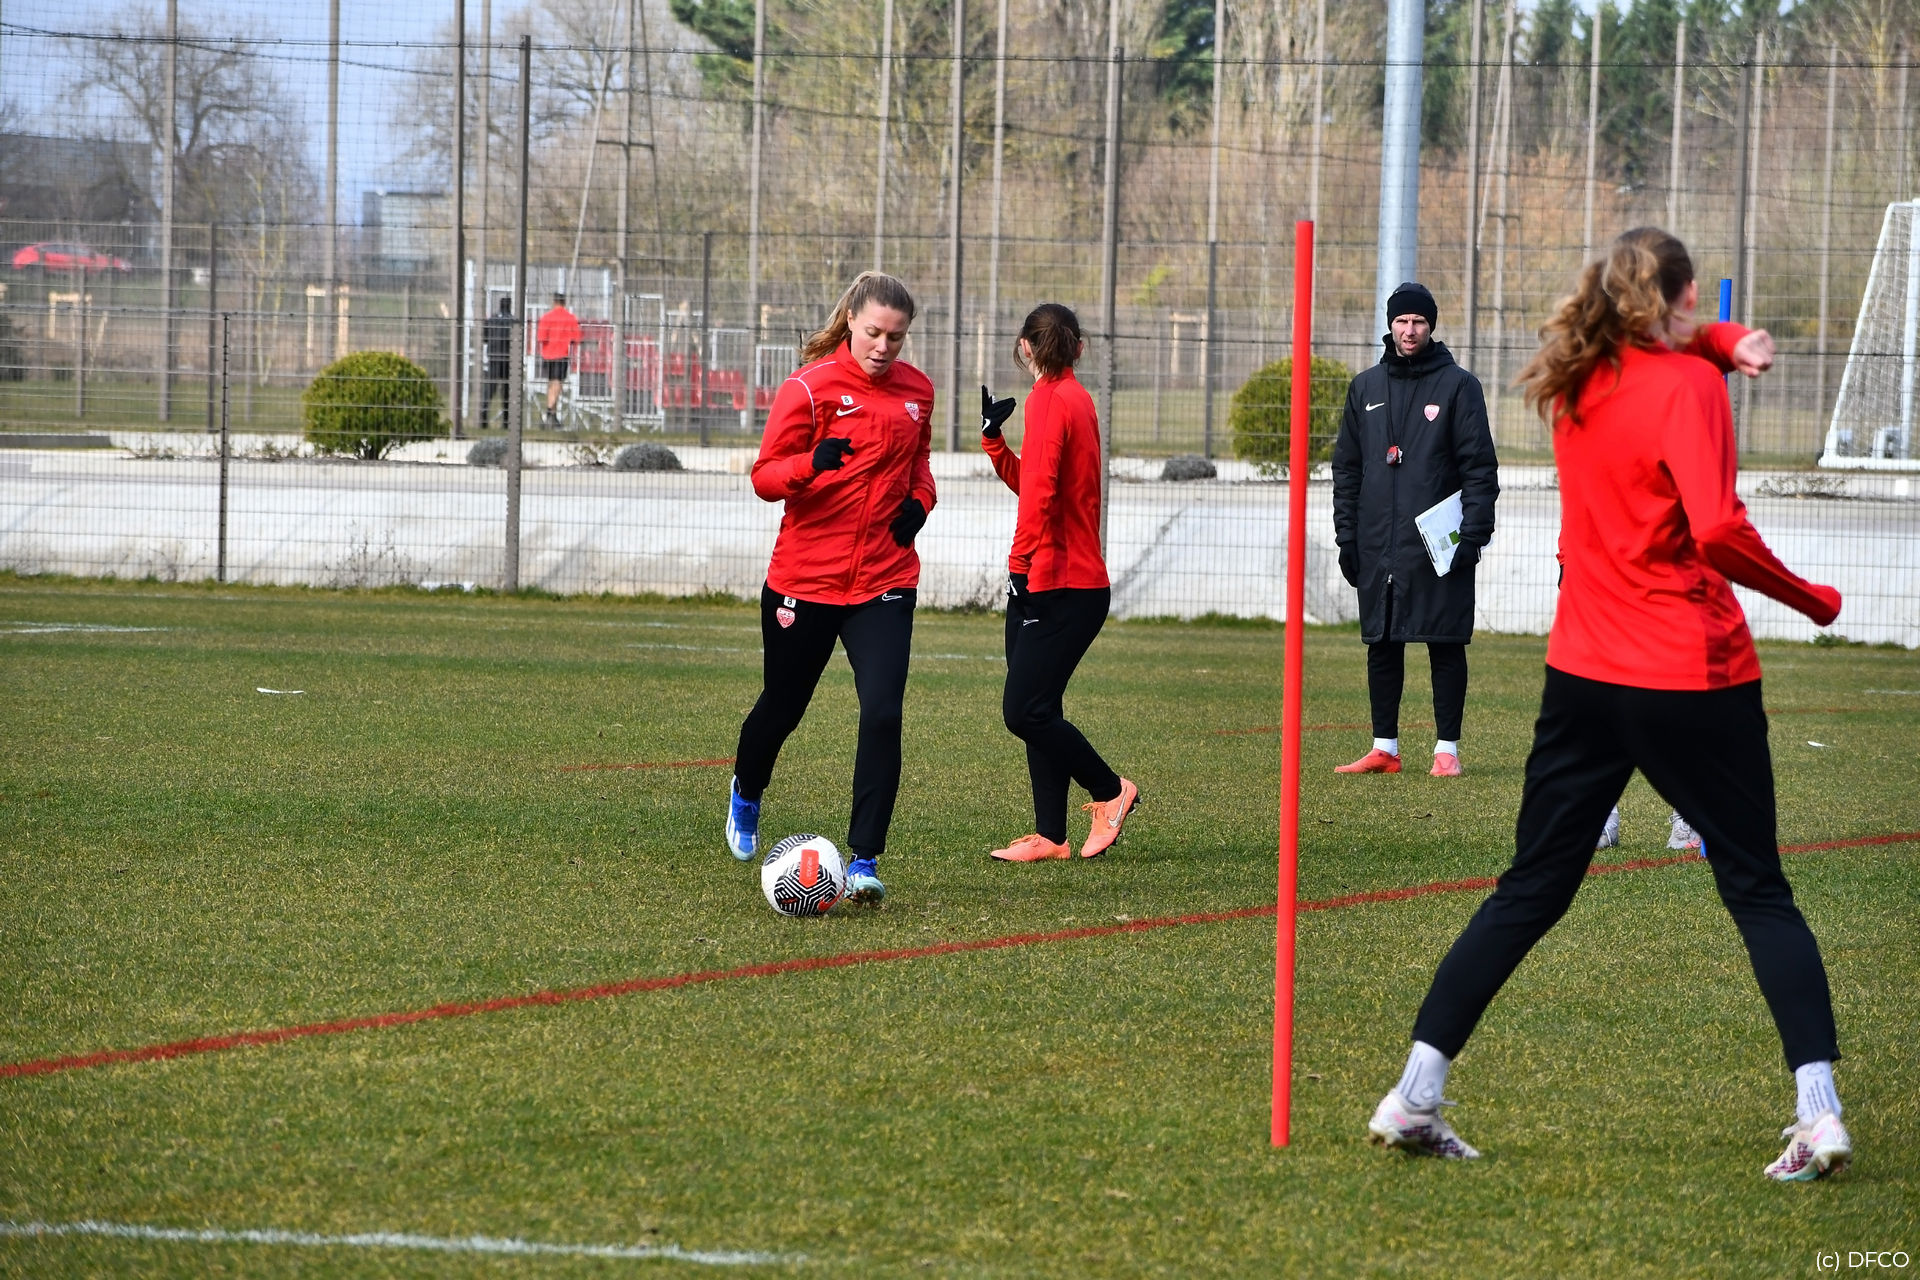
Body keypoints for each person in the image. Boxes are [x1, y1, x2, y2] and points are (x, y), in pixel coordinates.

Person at [1366, 228, 1851, 1183]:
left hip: (1583, 677)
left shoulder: (1575, 380)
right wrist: (1812, 600)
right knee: (1758, 890)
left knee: (1530, 889)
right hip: (1691, 674)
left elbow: (1655, 361)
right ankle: (1819, 1114)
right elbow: (1717, 529)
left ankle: (1414, 1095)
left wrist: (1724, 341)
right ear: (1680, 299)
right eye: (1697, 307)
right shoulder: (1692, 384)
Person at [723, 271, 937, 905]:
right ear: (850, 322)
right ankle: (746, 793)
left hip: (884, 579)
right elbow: (764, 478)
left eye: (896, 337)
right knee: (783, 707)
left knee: (883, 712)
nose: (883, 346)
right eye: (874, 333)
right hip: (805, 580)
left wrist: (921, 504)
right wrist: (809, 466)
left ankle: (865, 860)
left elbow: (920, 466)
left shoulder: (918, 392)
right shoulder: (809, 389)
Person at [977, 303, 1139, 863]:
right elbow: (1039, 482)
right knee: (1040, 708)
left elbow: (1041, 495)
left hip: (1059, 583)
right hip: (1059, 580)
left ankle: (1111, 791)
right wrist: (995, 441)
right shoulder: (1074, 396)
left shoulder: (1050, 400)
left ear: (1025, 346)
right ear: (1080, 348)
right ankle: (1050, 835)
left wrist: (1019, 566)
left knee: (1024, 711)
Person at [1331, 282, 1499, 778]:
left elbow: (1479, 468)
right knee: (1382, 643)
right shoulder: (1365, 387)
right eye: (1402, 321)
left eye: (1419, 322)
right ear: (1390, 324)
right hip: (1378, 543)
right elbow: (1347, 469)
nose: (1410, 330)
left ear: (1432, 326)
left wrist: (1473, 536)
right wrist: (1347, 536)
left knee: (1445, 642)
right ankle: (1384, 747)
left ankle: (1447, 751)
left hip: (1437, 546)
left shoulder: (1459, 386)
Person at [536, 291, 582, 428]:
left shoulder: (546, 317)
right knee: (557, 383)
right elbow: (576, 338)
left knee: (551, 384)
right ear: (564, 302)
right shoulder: (570, 318)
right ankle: (550, 411)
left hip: (547, 354)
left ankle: (552, 415)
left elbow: (541, 337)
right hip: (561, 354)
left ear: (554, 301)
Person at [481, 297, 513, 431]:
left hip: (493, 358)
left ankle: (483, 416)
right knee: (506, 392)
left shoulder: (491, 319)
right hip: (507, 359)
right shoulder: (512, 321)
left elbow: (485, 338)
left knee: (489, 390)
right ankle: (506, 421)